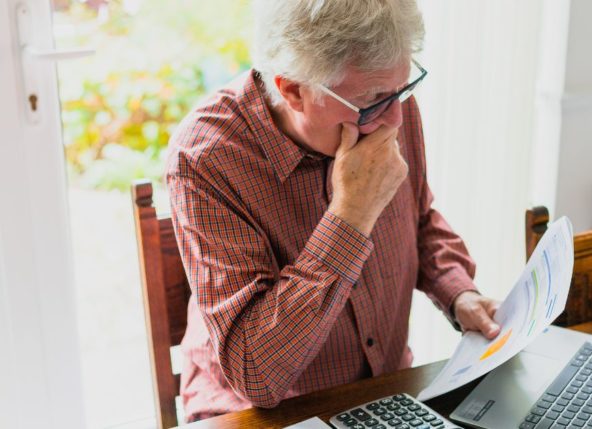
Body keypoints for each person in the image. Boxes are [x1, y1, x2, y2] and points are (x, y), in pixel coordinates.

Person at [166, 0, 500, 422]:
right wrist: (351, 216)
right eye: (373, 100)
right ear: (292, 90)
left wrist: (458, 292)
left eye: (401, 89)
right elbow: (257, 374)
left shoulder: (386, 103)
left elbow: (419, 216)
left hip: (386, 394)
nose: (396, 118)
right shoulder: (205, 159)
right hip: (264, 412)